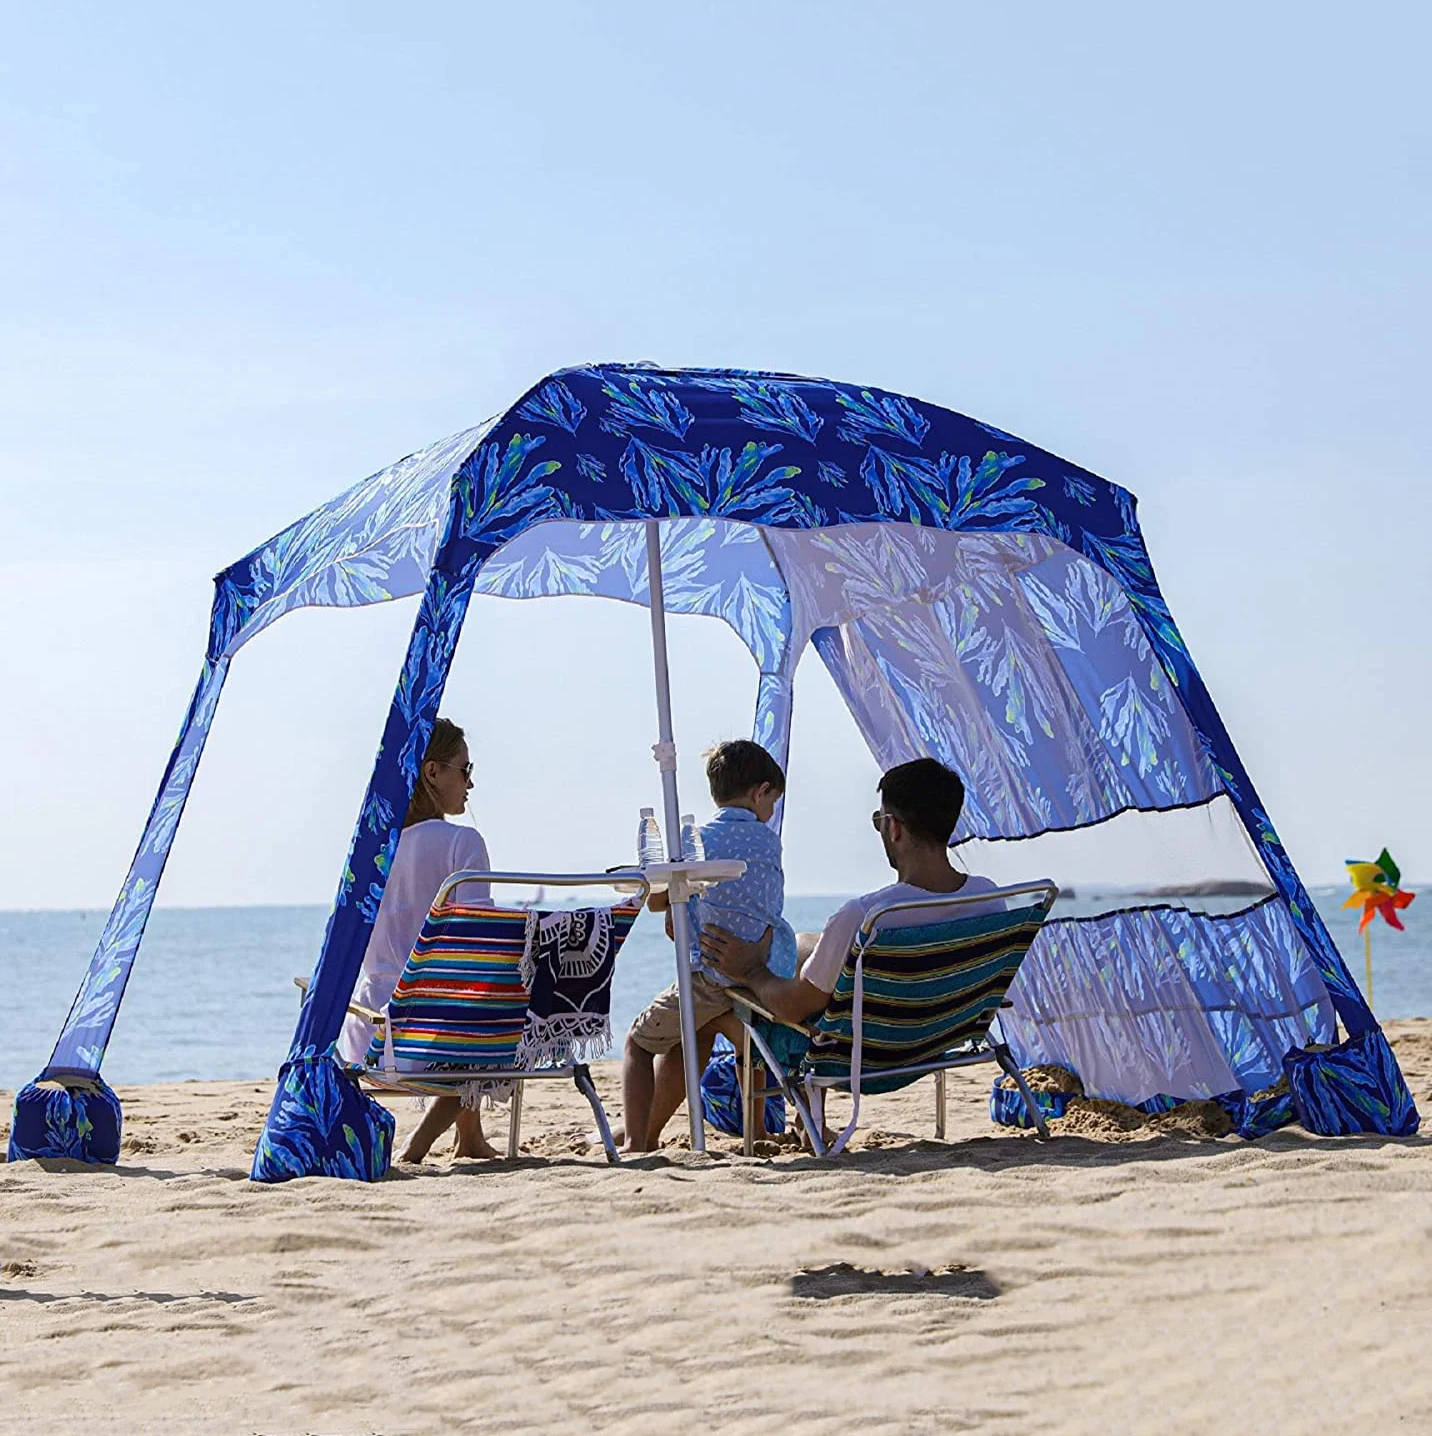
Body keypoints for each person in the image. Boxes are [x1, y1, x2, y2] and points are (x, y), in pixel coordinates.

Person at [702, 757, 1008, 1026]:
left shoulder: (866, 918)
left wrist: (751, 970)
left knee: (721, 1016)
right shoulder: (987, 899)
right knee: (805, 943)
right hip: (940, 1037)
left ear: (894, 828)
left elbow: (795, 1007)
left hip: (868, 1057)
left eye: (879, 821)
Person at [619, 740, 796, 1153]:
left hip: (713, 976)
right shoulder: (768, 842)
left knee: (636, 1043)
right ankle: (756, 1131)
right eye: (773, 800)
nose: (772, 810)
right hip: (766, 969)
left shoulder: (695, 840)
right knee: (697, 1037)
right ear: (759, 792)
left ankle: (634, 1140)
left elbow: (658, 901)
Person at [335, 717, 497, 1162]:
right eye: (464, 770)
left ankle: (470, 1138)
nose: (471, 782)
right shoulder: (462, 843)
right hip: (429, 1037)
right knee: (485, 998)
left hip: (366, 1031)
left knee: (458, 997)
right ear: (432, 773)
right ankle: (419, 1142)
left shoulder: (375, 854)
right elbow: (474, 950)